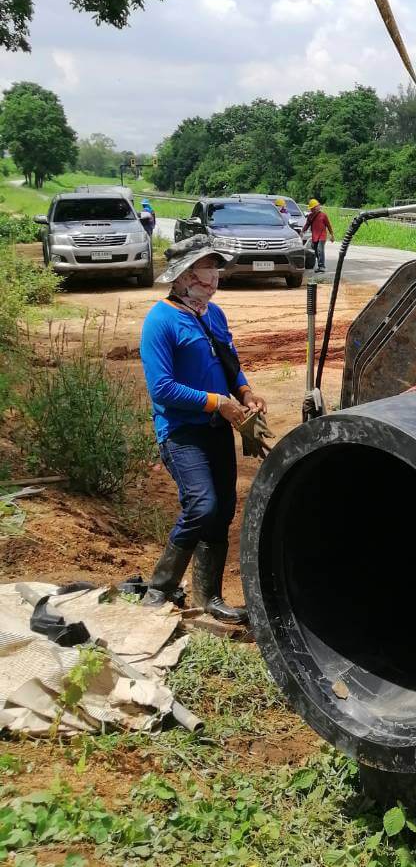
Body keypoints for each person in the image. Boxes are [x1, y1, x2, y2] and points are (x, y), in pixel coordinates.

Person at [138, 236, 267, 624]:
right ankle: (159, 590)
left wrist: (244, 392)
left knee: (223, 509)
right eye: (203, 270)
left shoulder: (214, 315)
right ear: (182, 278)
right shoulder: (160, 321)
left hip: (217, 429)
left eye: (214, 269)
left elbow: (229, 362)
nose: (212, 277)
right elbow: (161, 388)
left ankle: (208, 596)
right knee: (202, 505)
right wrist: (218, 402)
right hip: (181, 432)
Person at [302, 198, 335, 275]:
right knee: (316, 251)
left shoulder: (323, 215)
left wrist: (332, 235)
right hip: (314, 236)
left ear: (317, 207)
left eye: (314, 207)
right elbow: (307, 225)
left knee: (320, 250)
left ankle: (322, 267)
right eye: (311, 208)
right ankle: (320, 265)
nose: (312, 210)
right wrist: (302, 231)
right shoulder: (310, 216)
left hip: (322, 236)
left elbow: (328, 225)